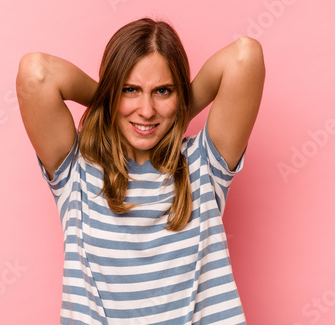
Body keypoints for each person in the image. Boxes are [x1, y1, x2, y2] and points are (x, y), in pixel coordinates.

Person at [16, 17, 265, 325]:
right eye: (130, 89)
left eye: (163, 91)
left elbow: (245, 56)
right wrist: (109, 103)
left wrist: (177, 113)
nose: (146, 110)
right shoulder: (76, 171)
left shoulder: (203, 164)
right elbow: (36, 73)